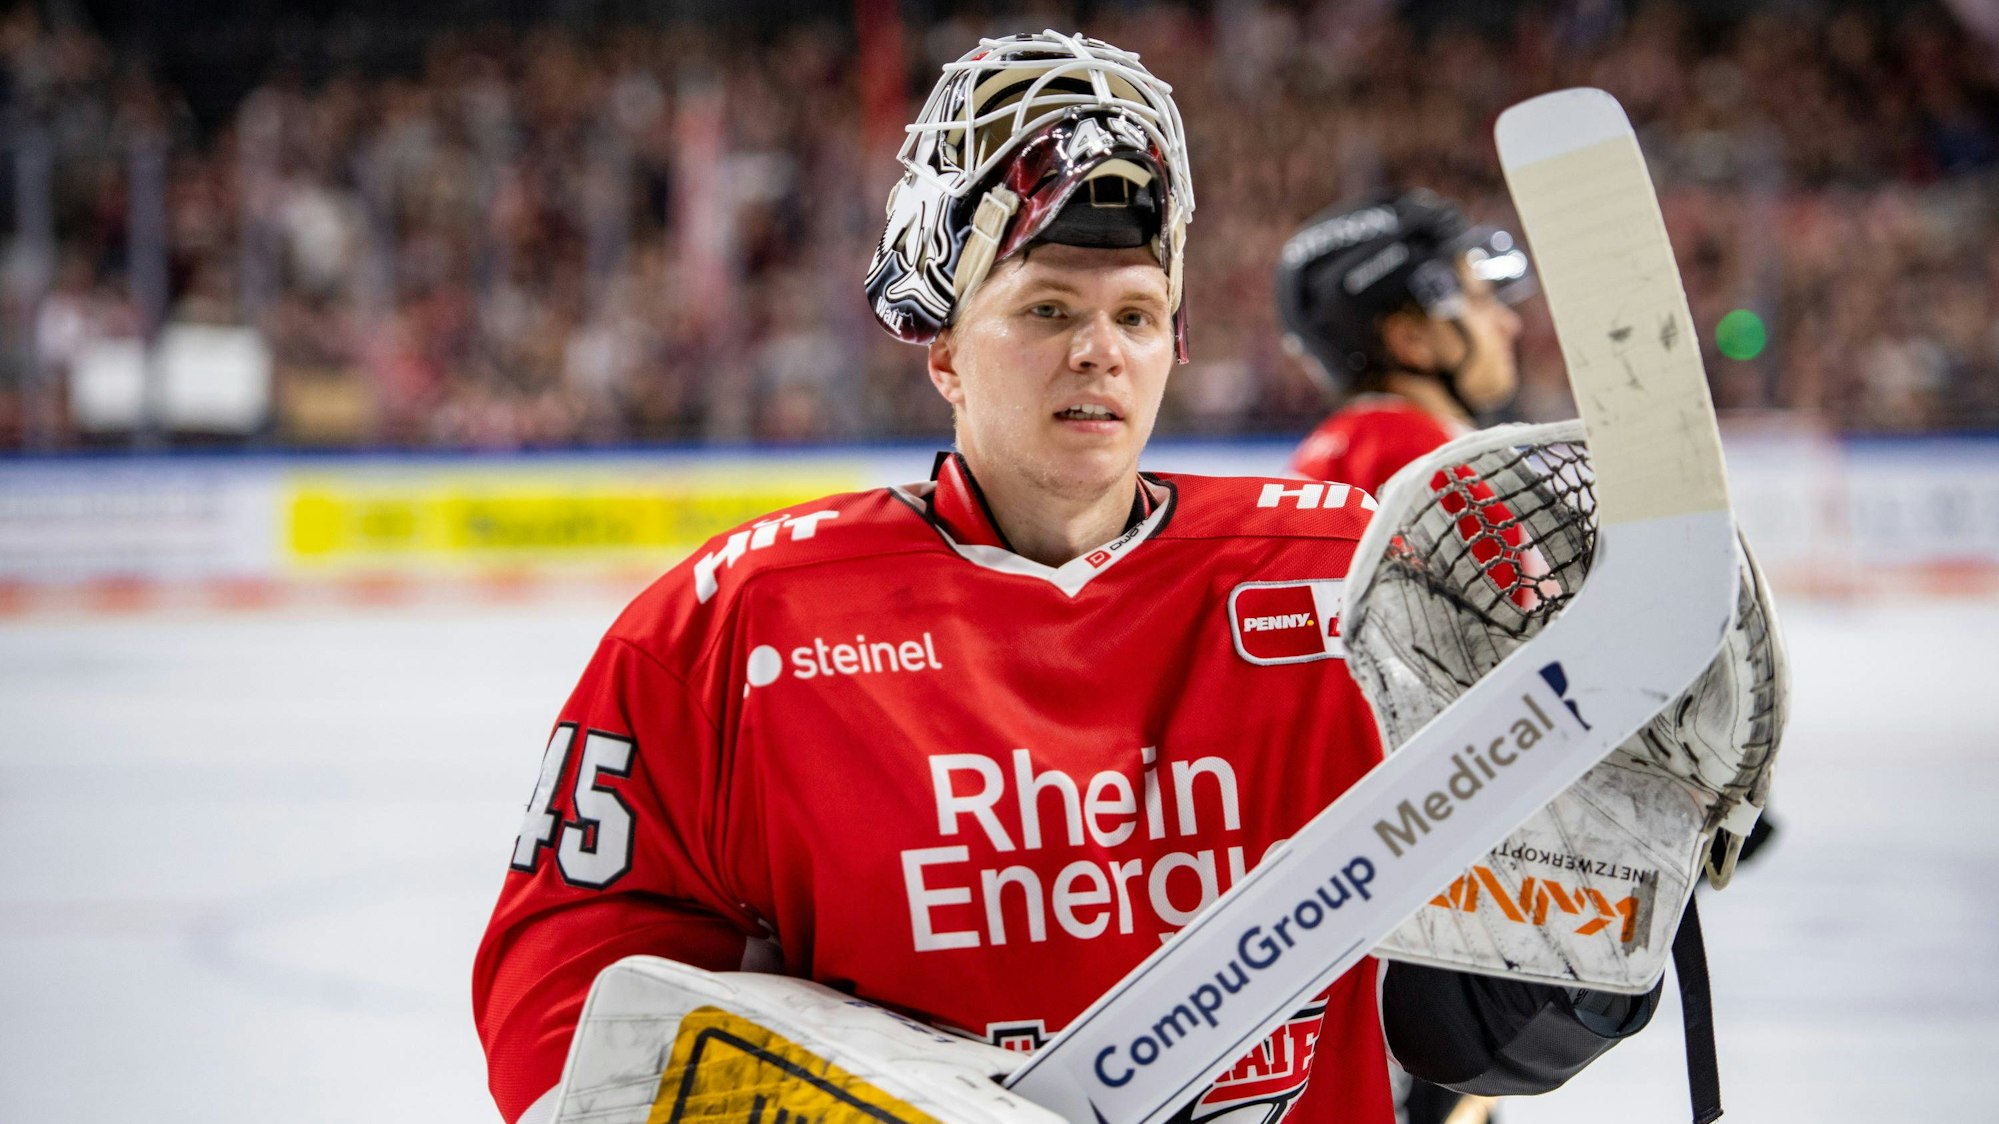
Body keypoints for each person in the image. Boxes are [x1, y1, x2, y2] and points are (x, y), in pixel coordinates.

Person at [474, 33, 1656, 1124]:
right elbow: (566, 1000)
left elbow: (1503, 984)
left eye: (1137, 315)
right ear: (942, 347)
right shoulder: (737, 622)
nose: (1099, 349)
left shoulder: (1358, 577)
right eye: (1046, 308)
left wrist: (1594, 914)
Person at [1278, 190, 1536, 497]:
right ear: (1410, 340)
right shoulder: (1454, 470)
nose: (1509, 324)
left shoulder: (1321, 457)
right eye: (1480, 301)